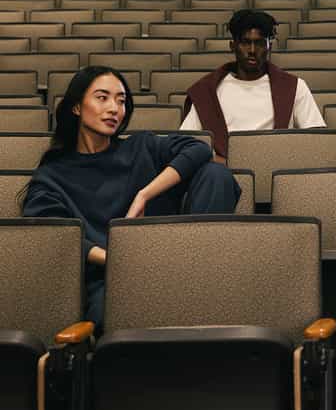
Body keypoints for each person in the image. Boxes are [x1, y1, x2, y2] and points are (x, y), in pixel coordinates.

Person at [23, 66, 240, 329]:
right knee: (110, 309)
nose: (114, 108)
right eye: (102, 98)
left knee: (216, 174)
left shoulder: (140, 146)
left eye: (121, 100)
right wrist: (121, 260)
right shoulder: (53, 174)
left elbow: (199, 148)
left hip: (177, 263)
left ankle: (196, 277)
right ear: (77, 107)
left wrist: (145, 194)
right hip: (112, 276)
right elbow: (51, 231)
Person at [180, 9, 326, 161]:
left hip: (275, 167)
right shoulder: (208, 90)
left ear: (270, 46)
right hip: (221, 172)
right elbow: (185, 142)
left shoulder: (294, 87)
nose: (252, 50)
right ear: (232, 45)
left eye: (260, 43)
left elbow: (316, 141)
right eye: (245, 42)